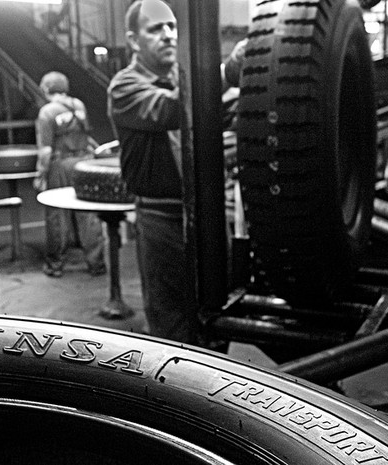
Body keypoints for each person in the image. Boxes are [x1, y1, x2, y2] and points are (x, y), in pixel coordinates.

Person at [108, 0, 245, 345]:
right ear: (134, 40)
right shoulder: (125, 87)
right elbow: (173, 109)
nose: (168, 35)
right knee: (173, 326)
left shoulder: (186, 81)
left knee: (217, 314)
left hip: (209, 213)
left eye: (172, 27)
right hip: (162, 220)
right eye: (156, 29)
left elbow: (217, 111)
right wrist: (227, 71)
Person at [34, 71, 106, 278]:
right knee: (88, 213)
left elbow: (46, 149)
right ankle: (97, 264)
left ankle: (55, 264)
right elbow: (84, 134)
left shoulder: (47, 112)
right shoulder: (78, 105)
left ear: (46, 89)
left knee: (57, 215)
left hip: (61, 164)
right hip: (84, 162)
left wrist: (40, 174)